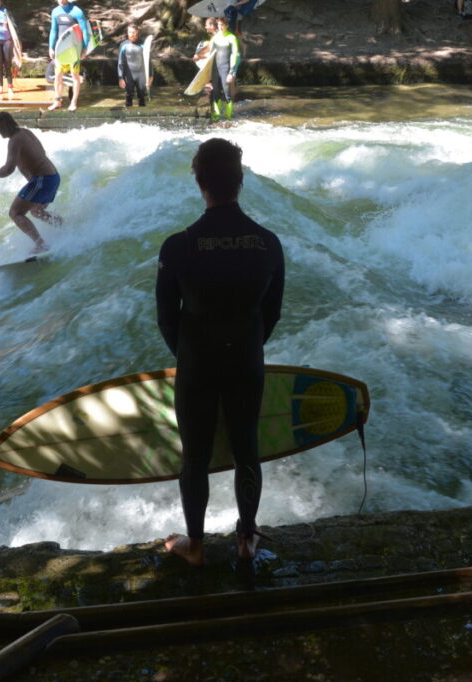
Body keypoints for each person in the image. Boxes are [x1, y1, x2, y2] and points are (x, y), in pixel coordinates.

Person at [156, 138, 284, 567]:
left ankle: (195, 545)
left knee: (195, 456)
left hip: (197, 359)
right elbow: (273, 312)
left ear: (200, 183)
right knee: (246, 447)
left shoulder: (178, 246)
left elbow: (165, 318)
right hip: (247, 356)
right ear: (240, 181)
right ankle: (246, 538)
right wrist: (243, 347)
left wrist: (193, 355)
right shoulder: (268, 244)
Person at [0, 112, 62, 254]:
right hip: (53, 177)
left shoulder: (15, 140)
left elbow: (8, 169)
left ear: (6, 126)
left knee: (15, 213)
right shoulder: (25, 132)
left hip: (42, 180)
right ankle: (64, 226)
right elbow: (42, 152)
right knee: (36, 211)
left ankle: (41, 244)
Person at [47, 0, 91, 112]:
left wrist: (85, 48)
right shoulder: (55, 12)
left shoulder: (77, 11)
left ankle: (73, 102)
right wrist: (51, 47)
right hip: (60, 50)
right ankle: (57, 101)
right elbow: (53, 31)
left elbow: (84, 31)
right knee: (58, 76)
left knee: (75, 75)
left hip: (74, 50)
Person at [207, 16, 241, 122]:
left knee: (226, 93)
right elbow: (210, 53)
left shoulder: (232, 38)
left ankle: (228, 117)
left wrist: (231, 72)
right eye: (218, 25)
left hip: (225, 68)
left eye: (222, 25)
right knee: (216, 92)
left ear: (226, 25)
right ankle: (216, 115)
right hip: (215, 68)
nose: (220, 27)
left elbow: (235, 55)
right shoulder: (215, 37)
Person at [117, 24, 152, 108]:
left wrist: (151, 77)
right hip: (128, 75)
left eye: (133, 32)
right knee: (129, 97)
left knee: (142, 97)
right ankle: (128, 120)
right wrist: (120, 78)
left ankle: (143, 119)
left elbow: (149, 62)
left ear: (137, 32)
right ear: (127, 33)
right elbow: (120, 62)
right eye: (130, 32)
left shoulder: (143, 44)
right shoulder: (123, 45)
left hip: (141, 75)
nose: (132, 34)